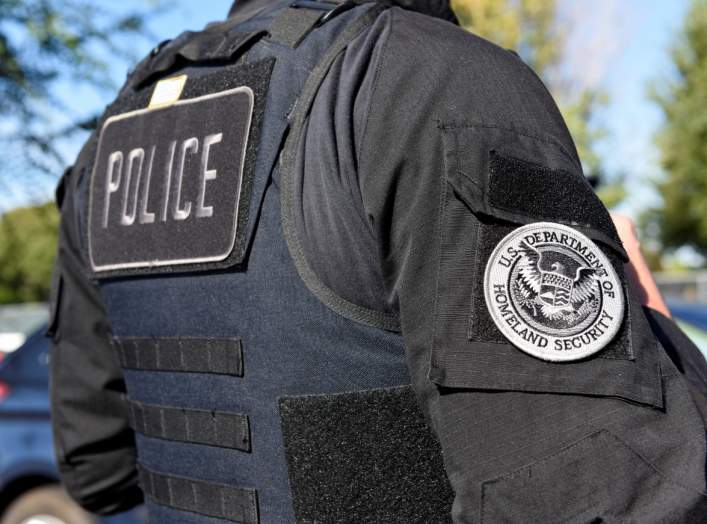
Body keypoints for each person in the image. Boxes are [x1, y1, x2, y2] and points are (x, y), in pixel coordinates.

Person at [48, 0, 707, 522]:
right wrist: (652, 331)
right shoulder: (428, 78)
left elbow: (96, 471)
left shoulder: (111, 138)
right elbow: (612, 492)